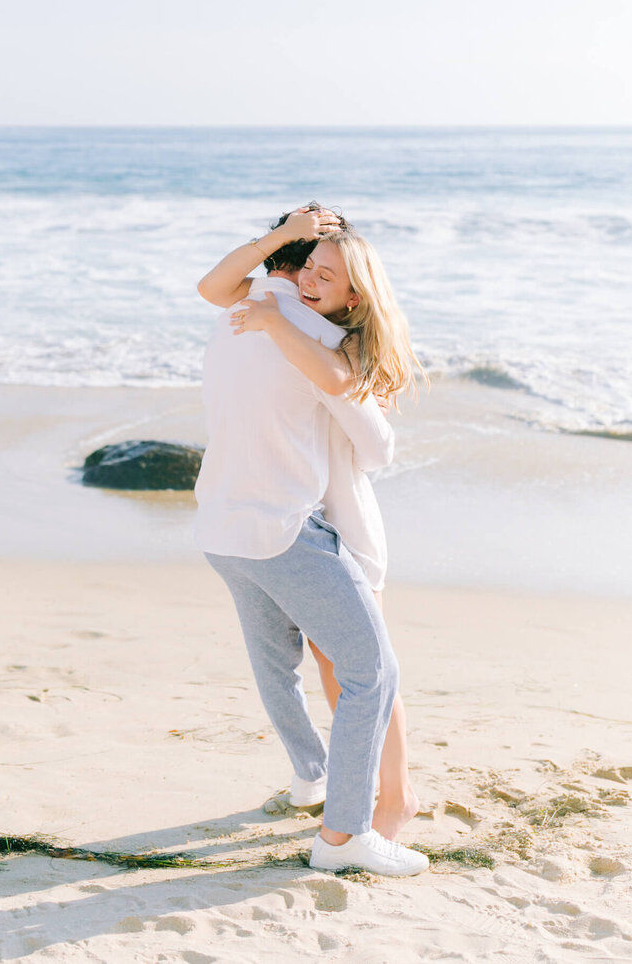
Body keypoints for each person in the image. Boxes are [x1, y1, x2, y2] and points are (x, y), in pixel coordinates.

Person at [195, 207, 428, 876]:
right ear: (304, 264)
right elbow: (376, 446)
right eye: (316, 264)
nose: (316, 280)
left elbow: (213, 285)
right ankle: (351, 828)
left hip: (222, 524)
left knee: (287, 664)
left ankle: (315, 777)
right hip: (297, 526)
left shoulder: (236, 313)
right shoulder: (306, 330)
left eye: (333, 271)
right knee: (368, 670)